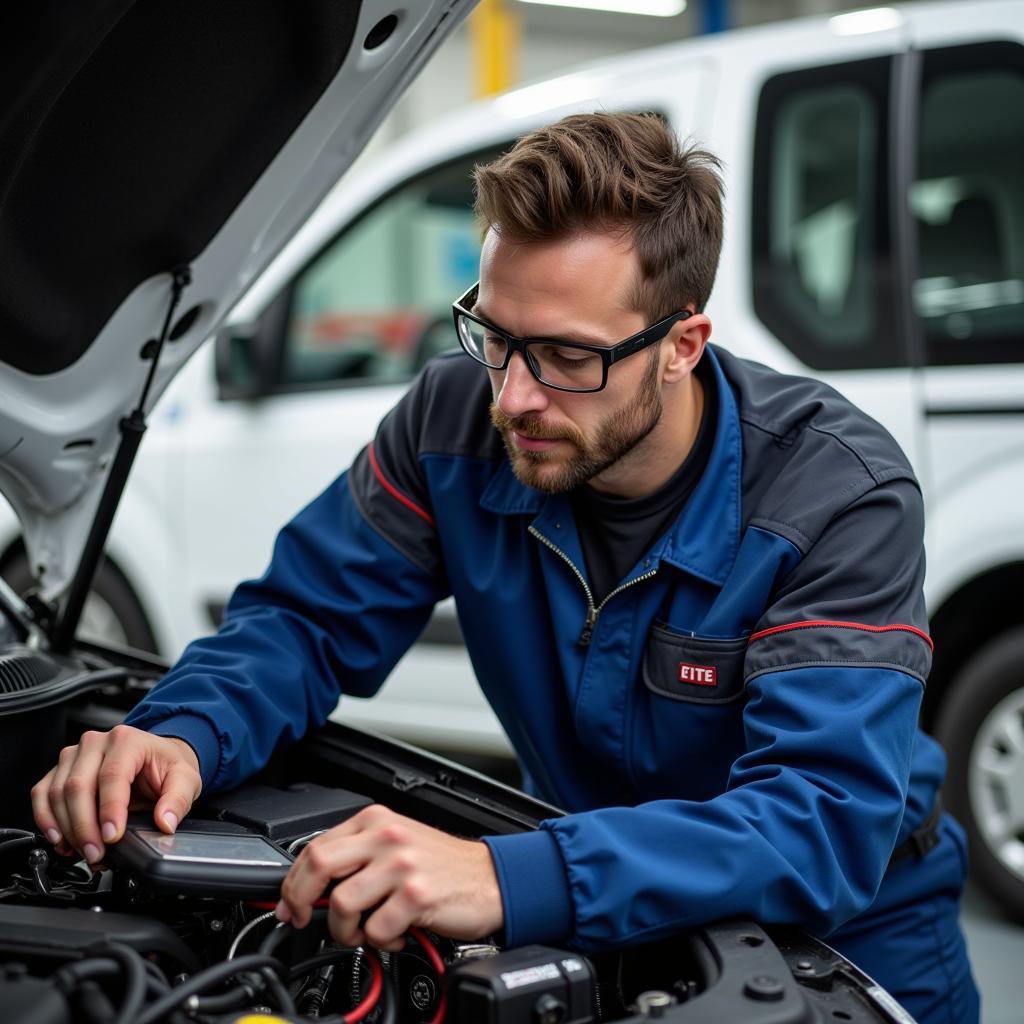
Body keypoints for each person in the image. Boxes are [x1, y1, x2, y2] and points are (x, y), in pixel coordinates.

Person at [31, 113, 978, 1023]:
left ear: (683, 345)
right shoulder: (451, 422)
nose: (514, 397)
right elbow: (306, 621)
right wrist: (184, 734)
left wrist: (499, 874)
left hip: (847, 940)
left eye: (568, 356)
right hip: (590, 892)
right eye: (494, 336)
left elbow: (815, 820)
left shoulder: (833, 494)